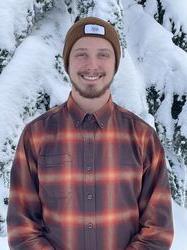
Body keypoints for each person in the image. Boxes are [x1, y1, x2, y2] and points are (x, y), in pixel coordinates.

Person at [7, 17, 174, 250]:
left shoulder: (142, 137)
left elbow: (157, 230)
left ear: (115, 63)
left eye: (103, 54)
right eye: (81, 54)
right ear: (67, 63)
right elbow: (22, 228)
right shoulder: (36, 135)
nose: (92, 65)